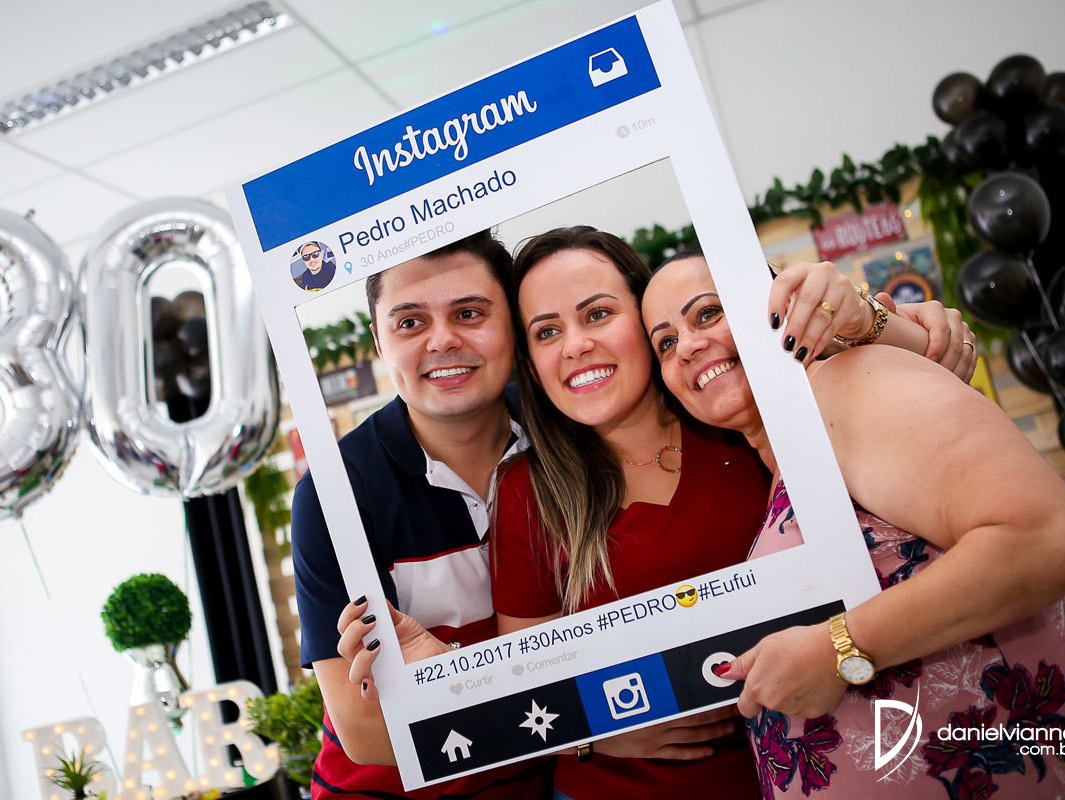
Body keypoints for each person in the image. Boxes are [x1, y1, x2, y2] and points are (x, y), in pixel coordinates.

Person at [327, 228, 974, 797]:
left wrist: (885, 319)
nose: (576, 345)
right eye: (547, 332)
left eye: (598, 314)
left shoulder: (736, 416)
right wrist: (574, 723)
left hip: (838, 759)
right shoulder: (528, 491)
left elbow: (921, 382)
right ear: (531, 363)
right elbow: (527, 684)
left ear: (645, 320)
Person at [641, 249, 1065, 798]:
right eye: (666, 343)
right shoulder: (785, 460)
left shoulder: (849, 385)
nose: (688, 346)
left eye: (707, 313)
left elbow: (1049, 537)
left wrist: (836, 651)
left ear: (786, 305)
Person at [291, 231, 550, 798]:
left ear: (512, 319)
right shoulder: (334, 494)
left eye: (469, 313)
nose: (443, 340)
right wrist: (590, 729)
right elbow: (366, 733)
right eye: (410, 322)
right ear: (379, 341)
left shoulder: (567, 432)